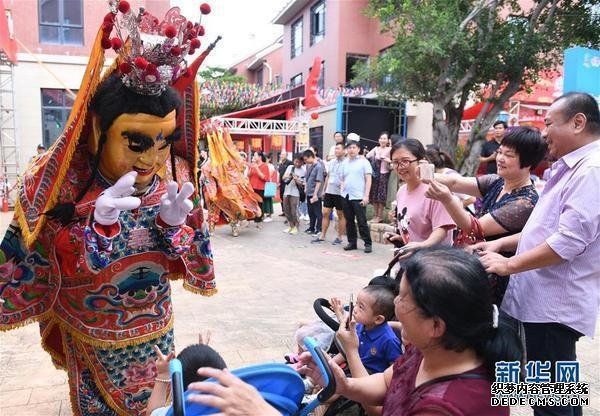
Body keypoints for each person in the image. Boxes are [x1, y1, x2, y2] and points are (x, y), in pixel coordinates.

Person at [0, 5, 218, 414]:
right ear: (100, 130)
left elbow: (185, 257)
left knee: (162, 396)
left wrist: (174, 227)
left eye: (163, 142)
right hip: (93, 328)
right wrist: (98, 226)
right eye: (136, 143)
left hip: (155, 324)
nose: (151, 159)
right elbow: (57, 261)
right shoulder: (64, 189)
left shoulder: (175, 179)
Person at [184, 247, 522, 416]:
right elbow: (389, 382)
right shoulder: (433, 347)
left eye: (403, 299)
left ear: (436, 325)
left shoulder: (445, 407)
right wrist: (343, 384)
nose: (396, 306)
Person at [476, 92, 600, 416]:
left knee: (549, 403)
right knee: (559, 396)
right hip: (544, 303)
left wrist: (509, 264)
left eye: (548, 124)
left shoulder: (591, 170)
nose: (543, 133)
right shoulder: (573, 167)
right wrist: (502, 244)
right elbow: (546, 230)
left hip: (552, 305)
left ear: (578, 122)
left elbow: (569, 242)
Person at [425, 127, 546, 248]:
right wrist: (421, 173)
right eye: (499, 152)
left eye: (508, 155)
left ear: (529, 162)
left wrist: (448, 200)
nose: (500, 159)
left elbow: (474, 228)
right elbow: (454, 182)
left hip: (494, 263)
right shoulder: (497, 181)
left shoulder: (525, 203)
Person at [385, 139, 455, 254]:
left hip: (434, 262)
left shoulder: (435, 190)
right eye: (395, 162)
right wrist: (402, 240)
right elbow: (414, 230)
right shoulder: (401, 191)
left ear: (422, 162)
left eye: (405, 161)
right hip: (411, 261)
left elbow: (442, 229)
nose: (400, 166)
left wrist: (422, 245)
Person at [146, 333, 227, 416]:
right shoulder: (237, 407)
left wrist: (163, 374)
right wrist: (202, 353)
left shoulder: (172, 412)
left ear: (179, 386)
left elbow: (152, 412)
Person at [330, 286, 402, 374]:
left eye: (361, 307)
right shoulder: (361, 325)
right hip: (353, 364)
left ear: (378, 319)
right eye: (356, 303)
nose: (355, 309)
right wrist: (339, 312)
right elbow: (347, 349)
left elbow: (396, 369)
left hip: (370, 377)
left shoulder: (389, 340)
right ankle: (311, 381)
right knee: (327, 362)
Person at [340, 139, 373, 253]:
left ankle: (368, 243)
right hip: (346, 195)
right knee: (349, 221)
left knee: (361, 221)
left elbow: (368, 179)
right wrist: (342, 190)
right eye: (349, 148)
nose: (351, 150)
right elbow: (343, 178)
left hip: (359, 196)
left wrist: (366, 196)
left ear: (358, 149)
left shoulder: (364, 162)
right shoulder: (344, 162)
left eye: (354, 147)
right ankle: (352, 242)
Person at [313, 142, 346, 244]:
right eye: (335, 149)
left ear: (344, 151)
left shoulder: (347, 163)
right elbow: (328, 176)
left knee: (341, 215)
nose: (336, 151)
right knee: (325, 213)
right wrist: (324, 190)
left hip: (340, 193)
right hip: (329, 191)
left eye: (338, 149)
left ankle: (339, 237)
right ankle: (322, 235)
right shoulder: (332, 162)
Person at [366, 132, 392, 223]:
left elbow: (392, 161)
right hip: (375, 175)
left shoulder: (390, 149)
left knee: (381, 196)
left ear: (388, 140)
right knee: (374, 196)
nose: (382, 140)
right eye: (381, 138)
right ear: (378, 140)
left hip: (384, 174)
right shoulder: (376, 148)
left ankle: (380, 216)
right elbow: (367, 156)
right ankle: (375, 216)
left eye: (384, 139)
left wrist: (384, 158)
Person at [281, 155, 306, 235]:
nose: (297, 163)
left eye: (299, 162)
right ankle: (291, 226)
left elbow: (302, 183)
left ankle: (296, 227)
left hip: (295, 193)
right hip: (287, 191)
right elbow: (283, 178)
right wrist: (289, 176)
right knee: (286, 210)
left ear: (302, 162)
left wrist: (296, 179)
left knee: (294, 210)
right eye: (295, 161)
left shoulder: (304, 170)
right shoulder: (290, 167)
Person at [303, 149, 324, 235]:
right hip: (309, 192)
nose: (305, 161)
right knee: (310, 212)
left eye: (306, 159)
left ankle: (318, 228)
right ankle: (311, 227)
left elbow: (319, 181)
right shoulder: (310, 165)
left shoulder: (319, 166)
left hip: (315, 194)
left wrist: (315, 194)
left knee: (317, 212)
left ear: (311, 157)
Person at [248, 151, 269, 227]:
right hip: (251, 188)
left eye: (255, 155)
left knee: (259, 205)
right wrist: (251, 168)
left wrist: (256, 168)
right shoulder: (253, 165)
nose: (254, 156)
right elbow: (248, 175)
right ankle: (250, 220)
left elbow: (264, 177)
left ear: (260, 157)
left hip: (260, 188)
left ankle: (258, 222)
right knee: (251, 204)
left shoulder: (265, 166)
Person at [277, 151, 292, 215]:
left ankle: (288, 212)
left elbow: (292, 172)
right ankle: (284, 211)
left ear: (286, 155)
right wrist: (278, 182)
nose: (281, 156)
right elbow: (279, 173)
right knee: (281, 196)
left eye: (283, 155)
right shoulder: (280, 164)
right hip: (281, 183)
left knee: (287, 197)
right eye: (281, 154)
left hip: (287, 183)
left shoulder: (289, 162)